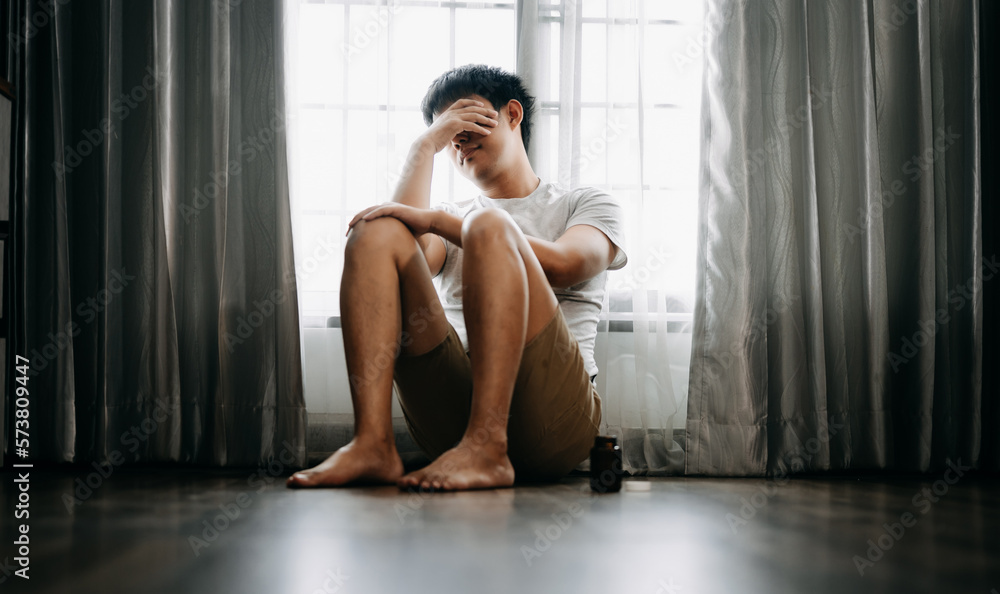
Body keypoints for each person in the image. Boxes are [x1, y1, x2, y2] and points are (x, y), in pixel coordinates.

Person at [286, 64, 627, 491]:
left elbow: (565, 264)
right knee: (375, 231)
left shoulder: (586, 203)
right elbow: (398, 244)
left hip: (554, 421)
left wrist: (440, 220)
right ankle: (372, 444)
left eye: (467, 117)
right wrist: (423, 147)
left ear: (512, 115)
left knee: (489, 226)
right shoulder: (449, 212)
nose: (457, 137)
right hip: (452, 421)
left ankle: (488, 448)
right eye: (448, 131)